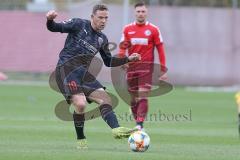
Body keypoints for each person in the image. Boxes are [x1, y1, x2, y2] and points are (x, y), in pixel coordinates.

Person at [46, 4, 140, 149]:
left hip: (82, 73)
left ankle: (116, 129)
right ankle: (81, 139)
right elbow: (54, 27)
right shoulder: (78, 24)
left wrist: (128, 59)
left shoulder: (102, 39)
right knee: (81, 103)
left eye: (106, 18)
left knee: (105, 98)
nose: (103, 21)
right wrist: (50, 20)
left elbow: (108, 61)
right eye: (100, 17)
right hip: (66, 69)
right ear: (92, 17)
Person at [118, 2, 167, 130]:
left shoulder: (153, 29)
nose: (141, 14)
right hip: (132, 68)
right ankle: (137, 118)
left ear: (147, 12)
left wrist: (163, 69)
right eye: (138, 11)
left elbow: (160, 49)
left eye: (143, 11)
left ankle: (139, 125)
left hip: (146, 68)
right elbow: (123, 47)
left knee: (143, 94)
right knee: (133, 98)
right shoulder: (127, 29)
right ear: (135, 13)